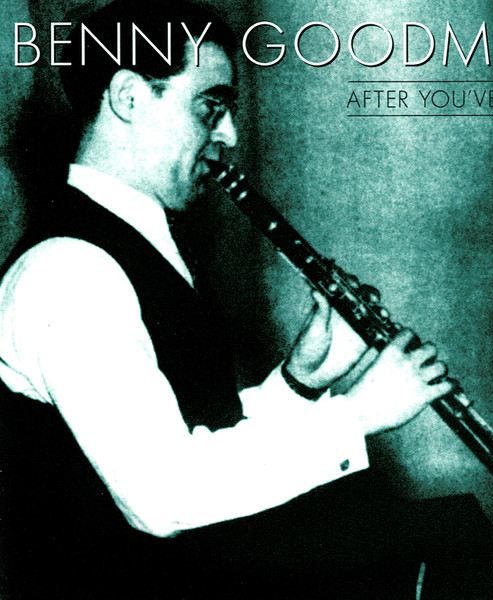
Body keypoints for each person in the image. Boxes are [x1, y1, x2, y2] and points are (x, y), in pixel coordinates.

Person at [0, 1, 453, 598]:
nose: (229, 135)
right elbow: (163, 495)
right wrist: (358, 415)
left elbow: (192, 435)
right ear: (129, 97)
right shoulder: (69, 270)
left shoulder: (132, 244)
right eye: (209, 107)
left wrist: (298, 382)